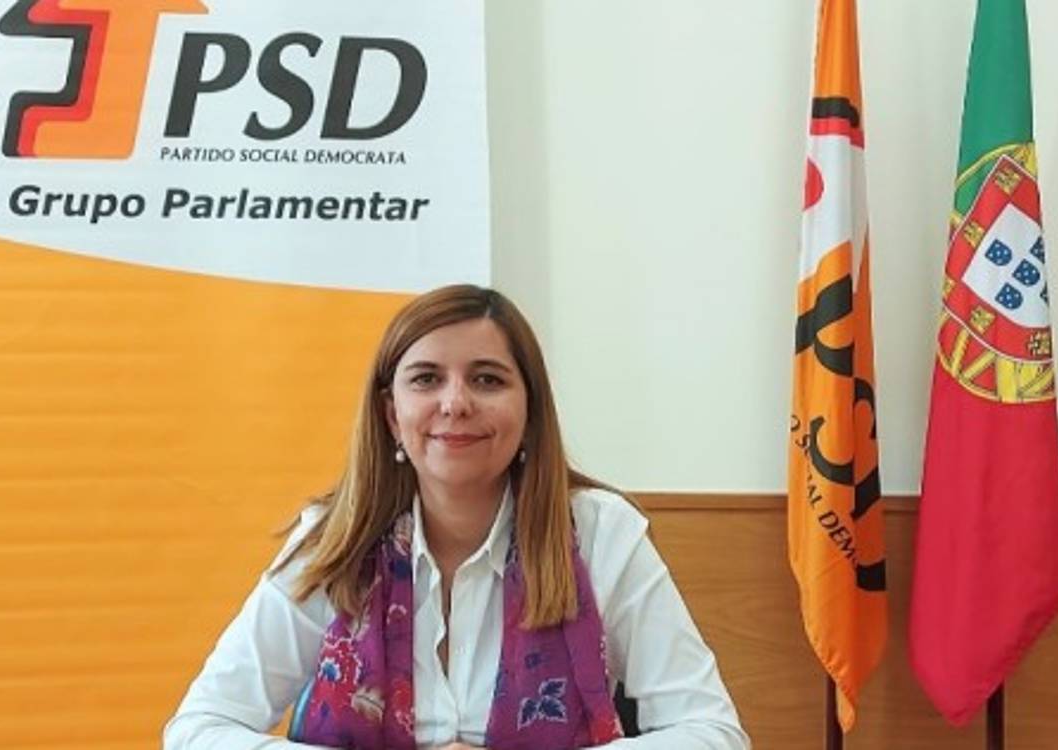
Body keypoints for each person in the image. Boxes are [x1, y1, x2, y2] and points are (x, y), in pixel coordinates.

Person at [164, 284, 749, 750]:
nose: (455, 403)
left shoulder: (599, 534)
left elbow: (712, 732)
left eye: (487, 379)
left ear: (530, 410)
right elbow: (199, 728)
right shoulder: (334, 537)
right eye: (426, 379)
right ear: (392, 416)